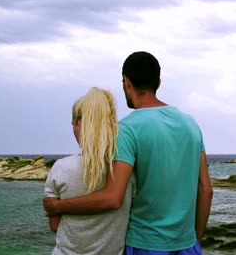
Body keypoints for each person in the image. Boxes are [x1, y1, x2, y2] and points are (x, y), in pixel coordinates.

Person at [43, 51, 213, 254]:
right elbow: (206, 190)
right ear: (158, 83)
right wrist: (195, 241)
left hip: (145, 245)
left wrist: (58, 207)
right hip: (187, 245)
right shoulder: (191, 124)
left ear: (126, 82)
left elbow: (113, 197)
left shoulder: (127, 129)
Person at [44, 87, 135, 255]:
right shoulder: (125, 171)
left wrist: (61, 207)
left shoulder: (61, 168)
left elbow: (55, 226)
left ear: (79, 123)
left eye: (73, 124)